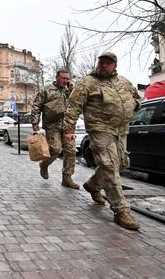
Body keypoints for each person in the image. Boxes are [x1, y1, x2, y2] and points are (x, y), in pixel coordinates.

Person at [63, 52, 142, 230]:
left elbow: (137, 98)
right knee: (108, 166)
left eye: (109, 63)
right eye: (102, 62)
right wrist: (69, 129)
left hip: (121, 129)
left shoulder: (123, 82)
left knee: (122, 163)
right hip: (100, 129)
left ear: (115, 65)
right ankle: (121, 210)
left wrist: (134, 105)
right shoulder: (87, 83)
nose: (105, 65)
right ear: (98, 64)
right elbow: (73, 107)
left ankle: (92, 185)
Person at [30, 69, 79, 189]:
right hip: (52, 125)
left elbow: (76, 104)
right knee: (55, 149)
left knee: (71, 151)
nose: (65, 81)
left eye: (67, 78)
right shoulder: (47, 89)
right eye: (63, 78)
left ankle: (67, 178)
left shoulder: (70, 90)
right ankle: (44, 165)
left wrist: (73, 91)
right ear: (57, 77)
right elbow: (37, 106)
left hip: (68, 126)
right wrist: (35, 122)